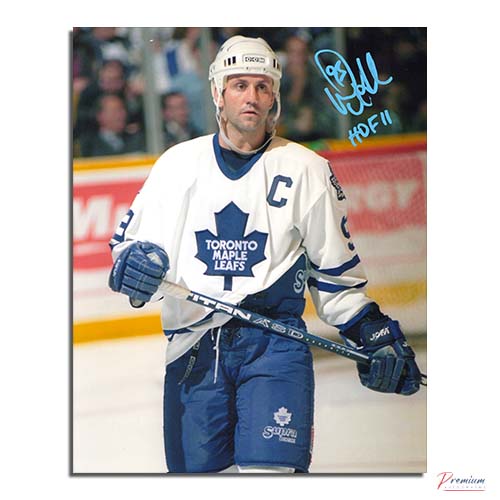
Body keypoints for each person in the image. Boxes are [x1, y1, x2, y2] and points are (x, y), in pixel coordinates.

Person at [108, 35, 423, 474]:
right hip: (193, 350)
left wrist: (373, 333)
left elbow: (335, 275)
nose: (251, 97)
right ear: (218, 92)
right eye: (239, 85)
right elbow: (128, 250)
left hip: (275, 347)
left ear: (274, 95)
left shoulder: (307, 169)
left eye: (262, 86)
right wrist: (135, 266)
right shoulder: (177, 165)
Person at [79, 94, 144, 157]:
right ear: (100, 116)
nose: (122, 114)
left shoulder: (136, 140)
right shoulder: (88, 146)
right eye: (115, 111)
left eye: (122, 110)